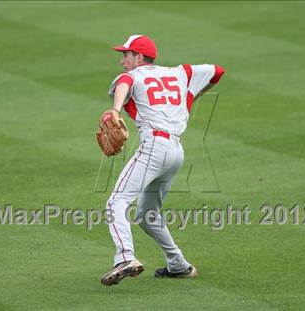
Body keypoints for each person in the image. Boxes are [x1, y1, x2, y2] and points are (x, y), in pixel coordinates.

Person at [100, 35, 225, 286]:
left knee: (116, 202)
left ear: (140, 57)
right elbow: (217, 71)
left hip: (154, 149)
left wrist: (115, 109)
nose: (122, 60)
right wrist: (189, 97)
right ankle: (178, 265)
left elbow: (124, 82)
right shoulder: (181, 73)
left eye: (126, 54)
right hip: (176, 152)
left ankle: (125, 257)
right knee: (148, 215)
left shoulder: (134, 76)